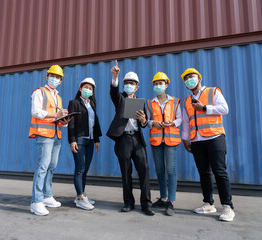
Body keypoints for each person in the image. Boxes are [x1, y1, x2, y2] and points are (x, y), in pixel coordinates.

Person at [181, 68, 235, 222]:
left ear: (199, 78)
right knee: (204, 173)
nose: (189, 80)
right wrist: (185, 139)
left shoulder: (213, 92)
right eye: (186, 79)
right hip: (197, 140)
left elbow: (225, 109)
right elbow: (186, 122)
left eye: (191, 77)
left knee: (219, 172)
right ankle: (208, 203)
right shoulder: (186, 101)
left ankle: (227, 206)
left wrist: (204, 108)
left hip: (214, 137)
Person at [106, 60, 155, 216]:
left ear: (137, 86)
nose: (129, 85)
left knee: (144, 169)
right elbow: (114, 92)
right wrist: (115, 77)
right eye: (126, 83)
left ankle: (146, 204)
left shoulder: (141, 103)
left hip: (137, 140)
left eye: (132, 83)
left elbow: (144, 123)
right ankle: (128, 202)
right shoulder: (120, 98)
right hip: (123, 140)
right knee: (126, 171)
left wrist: (143, 120)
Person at [29, 65, 72, 216]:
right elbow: (35, 111)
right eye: (53, 76)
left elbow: (57, 118)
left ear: (61, 81)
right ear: (47, 77)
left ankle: (47, 196)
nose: (56, 79)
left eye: (58, 77)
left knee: (51, 166)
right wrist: (55, 115)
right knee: (42, 167)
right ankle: (36, 201)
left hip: (56, 135)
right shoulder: (39, 92)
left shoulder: (58, 97)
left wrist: (64, 121)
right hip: (44, 134)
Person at [145, 72, 182, 216]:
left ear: (166, 85)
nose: (158, 86)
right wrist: (153, 123)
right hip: (156, 140)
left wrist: (173, 123)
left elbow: (180, 118)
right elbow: (146, 121)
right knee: (160, 170)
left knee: (171, 171)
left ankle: (171, 202)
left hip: (171, 140)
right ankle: (163, 197)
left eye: (161, 83)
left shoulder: (175, 101)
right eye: (156, 84)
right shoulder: (149, 103)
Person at [67, 78, 102, 211]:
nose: (88, 90)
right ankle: (80, 198)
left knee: (85, 169)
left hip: (90, 140)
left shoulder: (92, 104)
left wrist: (97, 139)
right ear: (80, 88)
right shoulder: (74, 103)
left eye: (91, 88)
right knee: (80, 168)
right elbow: (71, 122)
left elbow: (95, 123)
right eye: (86, 87)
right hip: (79, 140)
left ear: (93, 92)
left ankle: (81, 195)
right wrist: (72, 140)